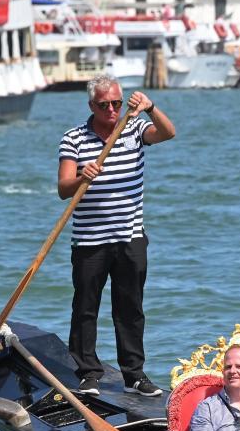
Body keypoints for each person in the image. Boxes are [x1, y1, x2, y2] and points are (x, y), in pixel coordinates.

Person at [58, 75, 176, 397]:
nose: (111, 109)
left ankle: (134, 375)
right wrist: (82, 176)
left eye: (116, 103)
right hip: (89, 241)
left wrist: (150, 107)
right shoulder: (73, 139)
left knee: (130, 308)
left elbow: (168, 132)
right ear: (91, 106)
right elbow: (64, 189)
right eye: (104, 105)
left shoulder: (134, 129)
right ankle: (88, 373)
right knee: (86, 308)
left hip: (130, 237)